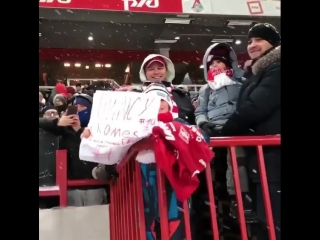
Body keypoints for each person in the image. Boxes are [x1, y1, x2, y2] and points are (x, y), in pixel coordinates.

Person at [220, 23, 281, 240]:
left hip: (274, 159)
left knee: (273, 221)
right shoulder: (257, 72)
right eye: (250, 41)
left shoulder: (276, 68)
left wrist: (222, 133)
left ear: (273, 44)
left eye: (259, 40)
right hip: (263, 158)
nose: (253, 45)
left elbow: (256, 107)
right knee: (266, 220)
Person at [195, 42, 245, 203]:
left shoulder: (240, 83)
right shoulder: (206, 89)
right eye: (211, 63)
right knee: (218, 169)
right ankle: (220, 204)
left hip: (236, 130)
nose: (214, 65)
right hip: (214, 133)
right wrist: (203, 123)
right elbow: (200, 111)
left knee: (237, 167)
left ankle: (238, 201)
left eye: (218, 61)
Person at [39, 94, 106, 206]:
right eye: (76, 106)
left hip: (95, 187)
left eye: (82, 106)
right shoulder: (63, 132)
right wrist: (57, 122)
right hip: (71, 189)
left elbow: (94, 154)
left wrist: (79, 131)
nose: (78, 109)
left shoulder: (98, 130)